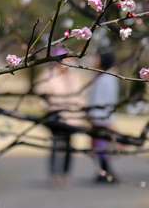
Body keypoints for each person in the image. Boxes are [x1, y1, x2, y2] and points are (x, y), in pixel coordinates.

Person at [39, 55, 85, 188]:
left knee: (69, 146)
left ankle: (65, 173)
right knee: (55, 145)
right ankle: (54, 174)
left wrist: (81, 114)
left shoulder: (74, 76)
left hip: (72, 118)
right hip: (55, 116)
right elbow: (42, 93)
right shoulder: (49, 74)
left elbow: (80, 97)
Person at [87, 52, 119, 183]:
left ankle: (106, 174)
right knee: (100, 148)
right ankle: (104, 172)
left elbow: (103, 100)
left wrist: (94, 116)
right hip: (100, 118)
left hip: (101, 119)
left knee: (101, 148)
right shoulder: (103, 77)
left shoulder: (105, 79)